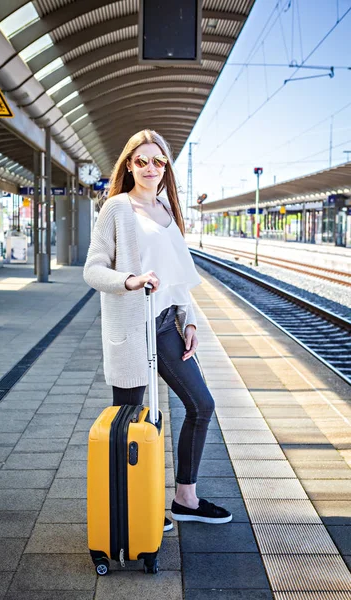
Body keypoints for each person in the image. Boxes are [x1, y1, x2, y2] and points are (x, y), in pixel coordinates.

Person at [83, 129, 232, 531]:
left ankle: (186, 499)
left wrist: (191, 321)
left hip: (168, 325)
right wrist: (129, 280)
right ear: (128, 165)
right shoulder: (117, 208)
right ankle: (133, 507)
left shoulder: (167, 210)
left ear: (167, 167)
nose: (151, 168)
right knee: (131, 420)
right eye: (142, 160)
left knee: (202, 405)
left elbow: (177, 276)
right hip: (134, 328)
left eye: (159, 161)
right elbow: (93, 268)